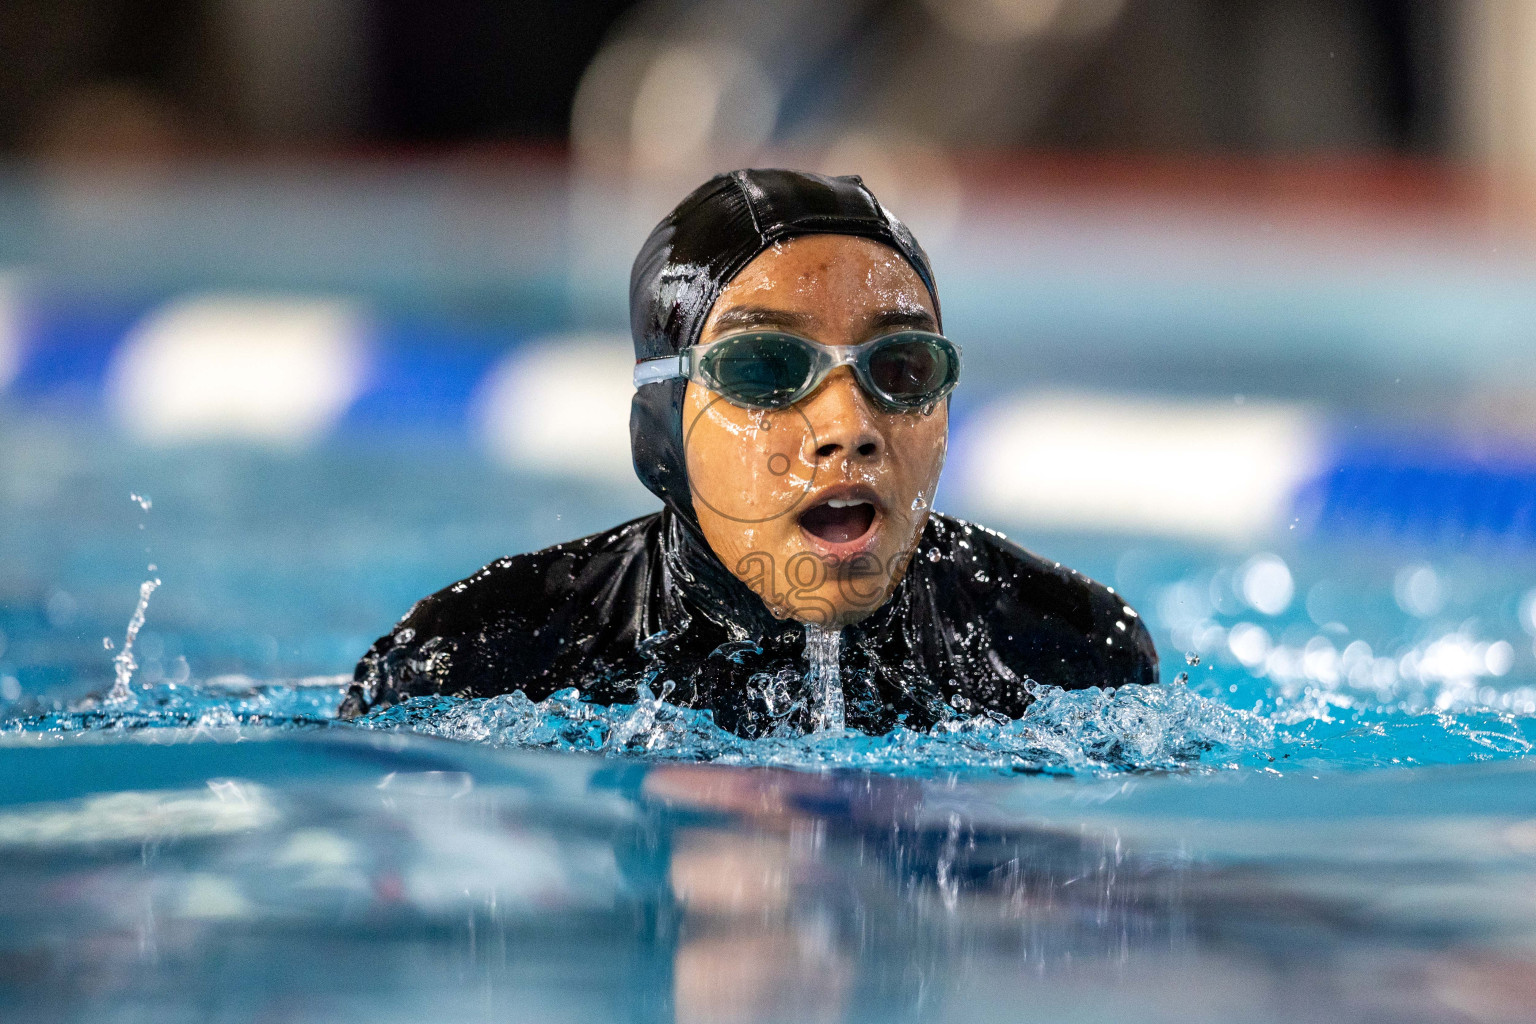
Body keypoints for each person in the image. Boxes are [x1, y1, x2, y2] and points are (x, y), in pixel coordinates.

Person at [339, 169, 1157, 735]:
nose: (850, 424)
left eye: (901, 369)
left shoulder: (1066, 653)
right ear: (660, 423)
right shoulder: (483, 661)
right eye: (766, 369)